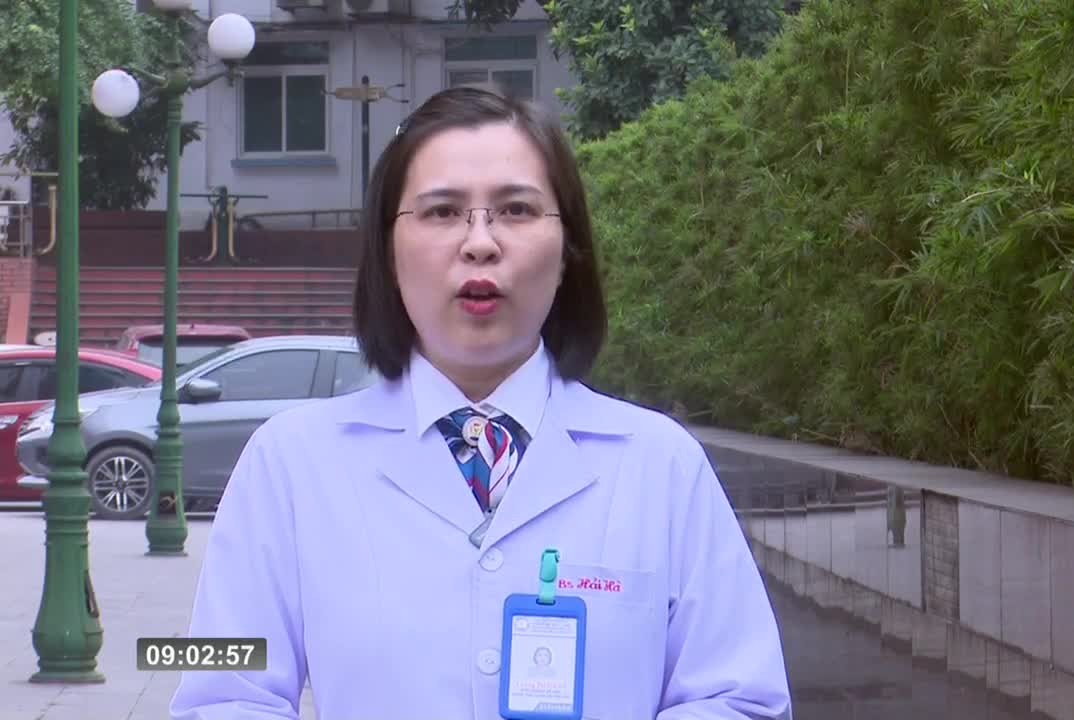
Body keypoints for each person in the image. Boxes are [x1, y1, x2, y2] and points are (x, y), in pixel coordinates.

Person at [169, 84, 791, 720]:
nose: (480, 242)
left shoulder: (662, 464)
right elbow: (220, 695)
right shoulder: (288, 462)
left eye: (516, 209)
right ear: (387, 249)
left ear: (568, 249)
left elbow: (741, 698)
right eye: (441, 212)